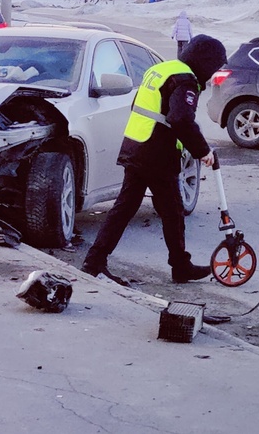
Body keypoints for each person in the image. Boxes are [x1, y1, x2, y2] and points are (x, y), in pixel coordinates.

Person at [82, 34, 227, 286]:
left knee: (126, 209)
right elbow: (180, 118)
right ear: (204, 62)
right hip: (156, 155)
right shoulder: (185, 81)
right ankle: (180, 267)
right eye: (214, 67)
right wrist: (203, 151)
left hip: (136, 146)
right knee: (172, 212)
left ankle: (94, 261)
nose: (213, 75)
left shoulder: (161, 70)